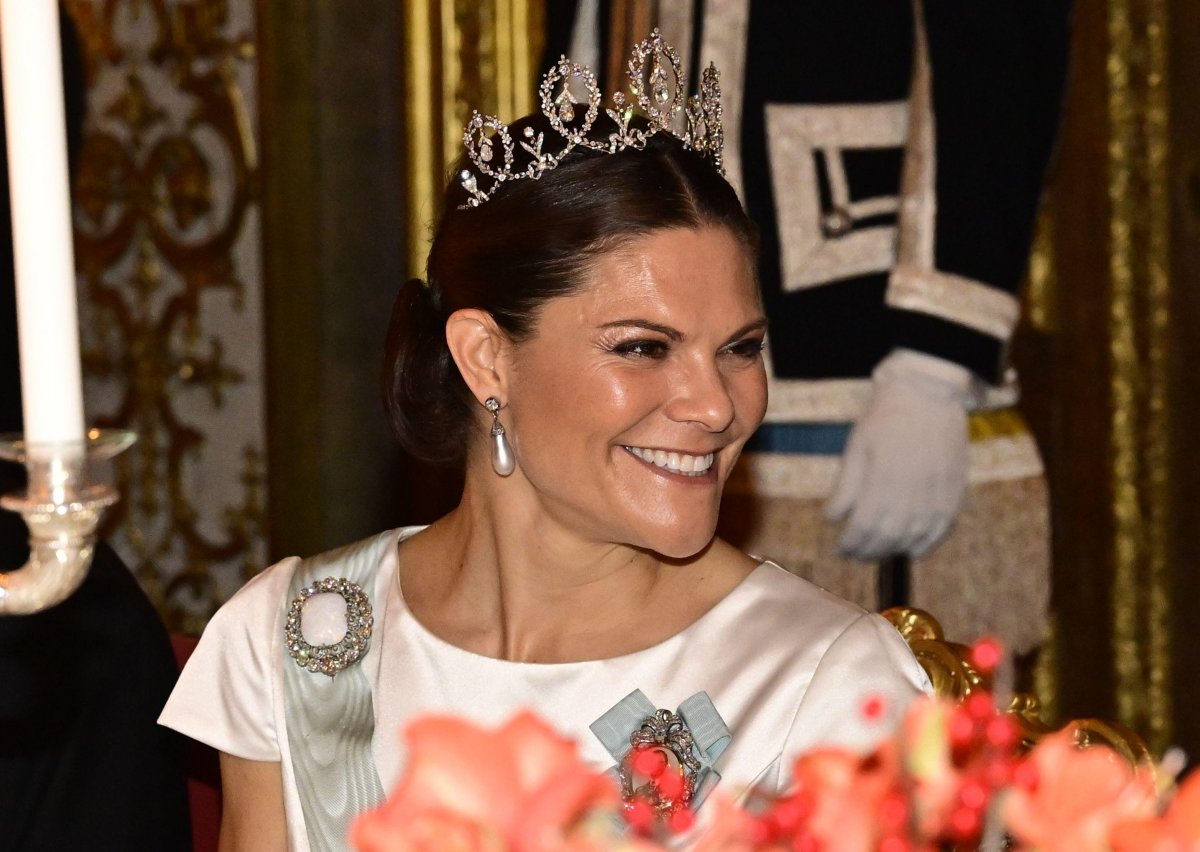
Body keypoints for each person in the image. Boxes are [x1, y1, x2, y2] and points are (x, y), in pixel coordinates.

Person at [160, 33, 929, 851]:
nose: (715, 405)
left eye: (740, 348)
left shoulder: (827, 685)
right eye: (643, 347)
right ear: (487, 357)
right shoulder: (297, 640)